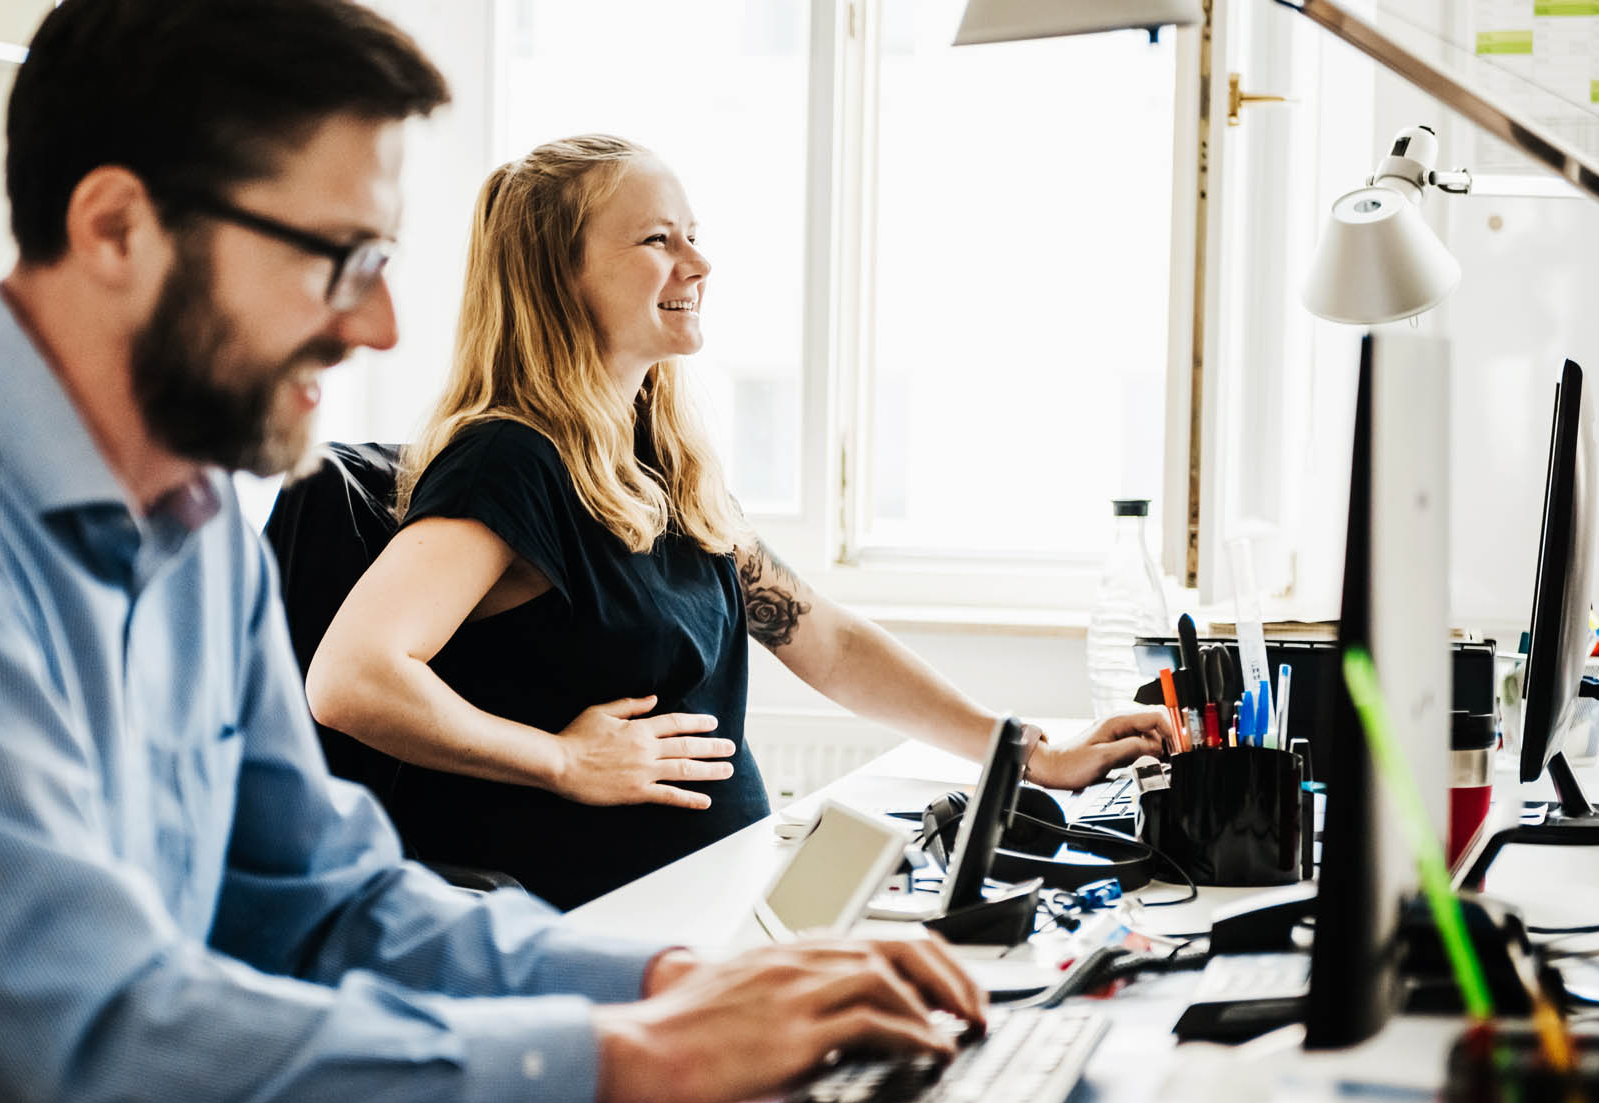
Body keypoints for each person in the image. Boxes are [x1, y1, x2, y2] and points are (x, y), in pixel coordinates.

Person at [0, 0, 992, 1103]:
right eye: (336, 258)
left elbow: (326, 895)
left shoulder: (194, 511)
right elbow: (96, 1031)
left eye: (383, 260)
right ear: (116, 226)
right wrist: (624, 1050)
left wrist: (677, 975)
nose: (379, 327)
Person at [307, 135, 1173, 910]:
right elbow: (352, 676)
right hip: (614, 926)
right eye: (657, 239)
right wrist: (561, 760)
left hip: (725, 897)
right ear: (559, 274)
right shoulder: (511, 461)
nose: (698, 262)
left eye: (693, 233)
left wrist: (1023, 754)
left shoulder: (654, 456)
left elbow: (821, 639)